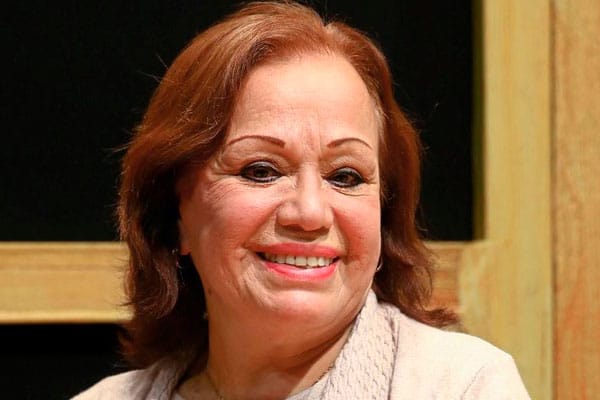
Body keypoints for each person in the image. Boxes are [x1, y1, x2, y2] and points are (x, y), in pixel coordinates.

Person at [74, 1, 530, 399]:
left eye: (346, 177)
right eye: (261, 171)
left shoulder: (463, 386)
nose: (310, 213)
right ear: (174, 216)